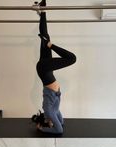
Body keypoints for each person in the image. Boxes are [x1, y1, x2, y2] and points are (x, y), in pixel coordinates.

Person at [34, 0, 76, 134]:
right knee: (45, 37)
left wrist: (42, 129)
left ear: (46, 121)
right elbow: (61, 122)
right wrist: (47, 125)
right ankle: (43, 11)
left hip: (44, 70)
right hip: (45, 71)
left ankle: (51, 45)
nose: (53, 123)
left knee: (72, 59)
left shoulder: (48, 111)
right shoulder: (54, 111)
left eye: (50, 124)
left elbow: (59, 130)